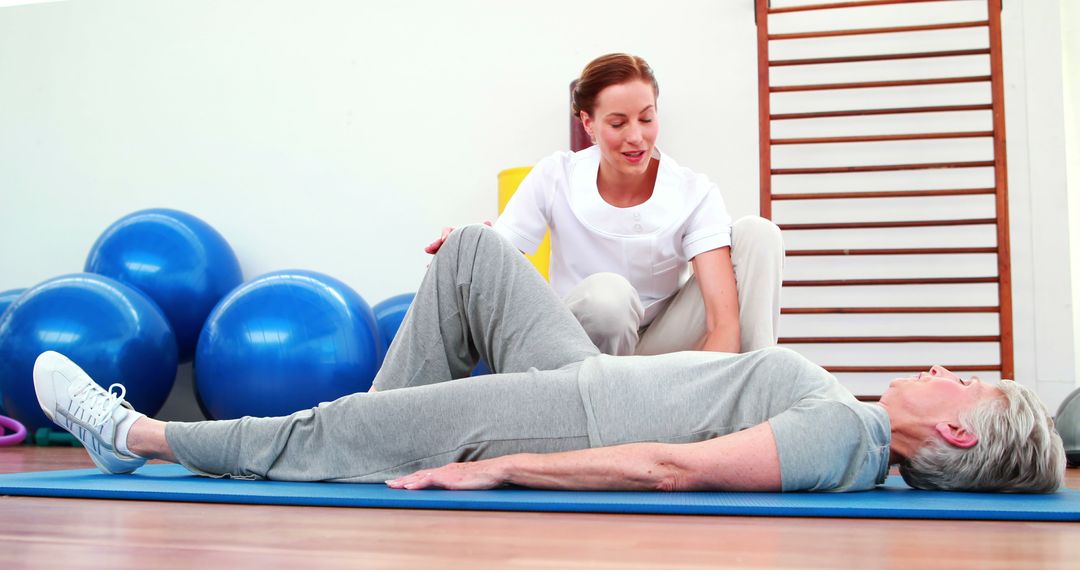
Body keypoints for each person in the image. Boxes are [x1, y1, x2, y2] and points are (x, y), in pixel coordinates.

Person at [35, 226, 1063, 493]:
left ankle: (136, 434)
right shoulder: (855, 424)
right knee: (476, 254)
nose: (943, 367)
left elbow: (673, 466)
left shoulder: (844, 432)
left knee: (345, 430)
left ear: (960, 428)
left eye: (962, 379)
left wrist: (500, 463)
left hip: (573, 418)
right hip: (581, 375)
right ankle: (348, 444)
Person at [427, 53, 784, 357]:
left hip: (664, 348)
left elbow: (723, 323)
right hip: (582, 349)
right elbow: (499, 257)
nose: (636, 137)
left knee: (758, 233)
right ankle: (608, 413)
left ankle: (754, 395)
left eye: (646, 118)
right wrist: (466, 246)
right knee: (609, 297)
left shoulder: (693, 191)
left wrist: (705, 396)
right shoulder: (556, 176)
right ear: (589, 123)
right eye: (618, 123)